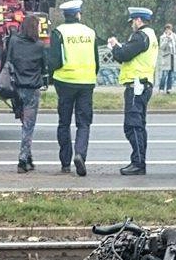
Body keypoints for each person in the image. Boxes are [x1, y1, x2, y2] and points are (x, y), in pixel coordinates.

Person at [47, 0, 98, 176]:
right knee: (84, 123)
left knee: (64, 122)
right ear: (78, 14)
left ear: (65, 15)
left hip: (65, 81)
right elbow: (96, 60)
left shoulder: (59, 32)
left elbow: (54, 60)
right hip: (86, 82)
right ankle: (80, 154)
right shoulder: (90, 33)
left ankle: (65, 163)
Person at [109, 7, 158, 176]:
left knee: (132, 126)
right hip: (144, 84)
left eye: (132, 22)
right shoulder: (150, 36)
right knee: (139, 125)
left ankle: (138, 162)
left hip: (136, 86)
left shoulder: (140, 36)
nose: (132, 26)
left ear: (138, 20)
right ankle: (139, 161)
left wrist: (115, 46)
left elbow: (124, 54)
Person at [6, 14, 47, 173]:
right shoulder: (39, 45)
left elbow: (9, 60)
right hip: (32, 89)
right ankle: (23, 160)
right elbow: (44, 67)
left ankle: (28, 157)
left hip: (16, 88)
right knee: (28, 127)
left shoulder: (15, 41)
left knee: (24, 124)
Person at [158, 23, 176, 94]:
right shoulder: (162, 37)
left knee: (171, 74)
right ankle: (161, 88)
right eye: (167, 29)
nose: (169, 31)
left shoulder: (174, 36)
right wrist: (167, 39)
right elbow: (162, 47)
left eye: (170, 29)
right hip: (166, 57)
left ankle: (169, 88)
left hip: (173, 57)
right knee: (164, 74)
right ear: (165, 30)